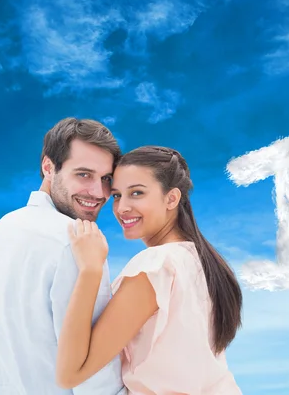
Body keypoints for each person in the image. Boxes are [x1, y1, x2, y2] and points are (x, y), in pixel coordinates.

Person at [55, 146, 244, 394]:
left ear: (172, 198)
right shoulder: (202, 262)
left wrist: (90, 270)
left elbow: (71, 373)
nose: (121, 207)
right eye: (116, 195)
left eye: (136, 193)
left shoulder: (155, 267)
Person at [0, 117, 126, 394]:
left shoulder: (1, 230)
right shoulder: (77, 242)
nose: (99, 192)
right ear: (48, 167)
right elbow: (96, 375)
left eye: (106, 179)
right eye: (84, 174)